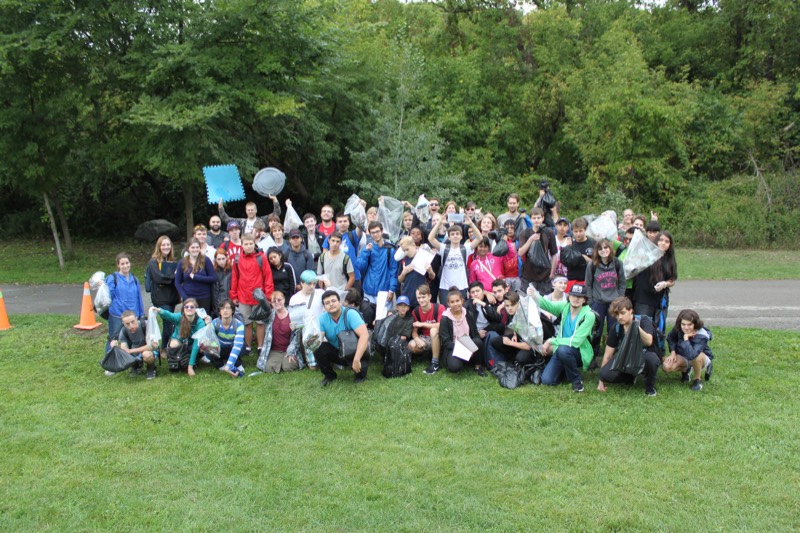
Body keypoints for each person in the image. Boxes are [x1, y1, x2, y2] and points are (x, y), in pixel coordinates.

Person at [530, 283, 596, 392]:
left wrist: (551, 340)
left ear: (584, 300)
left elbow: (576, 341)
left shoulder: (589, 315)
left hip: (579, 351)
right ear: (569, 297)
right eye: (573, 295)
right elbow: (547, 305)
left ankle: (577, 381)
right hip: (562, 350)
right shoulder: (565, 306)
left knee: (563, 350)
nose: (576, 299)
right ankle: (567, 369)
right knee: (547, 380)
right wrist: (534, 295)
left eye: (579, 297)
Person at [597, 297, 659, 396]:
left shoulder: (644, 320)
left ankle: (650, 387)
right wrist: (601, 380)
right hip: (625, 358)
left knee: (652, 359)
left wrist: (635, 327)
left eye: (623, 313)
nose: (620, 317)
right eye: (617, 314)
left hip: (644, 354)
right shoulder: (616, 328)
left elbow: (649, 341)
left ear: (631, 311)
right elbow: (608, 355)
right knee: (604, 374)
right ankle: (630, 377)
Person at [230, 234, 274, 354]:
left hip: (259, 297)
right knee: (246, 323)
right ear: (242, 245)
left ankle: (260, 347)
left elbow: (268, 277)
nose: (249, 246)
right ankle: (247, 346)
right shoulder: (238, 259)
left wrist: (268, 296)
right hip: (243, 297)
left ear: (254, 244)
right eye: (246, 244)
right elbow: (234, 278)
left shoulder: (261, 258)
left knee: (260, 323)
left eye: (251, 244)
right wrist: (233, 295)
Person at [315, 290, 371, 386]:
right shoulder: (322, 319)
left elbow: (364, 335)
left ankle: (359, 369)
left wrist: (357, 359)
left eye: (333, 301)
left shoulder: (350, 314)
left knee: (360, 377)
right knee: (318, 347)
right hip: (339, 352)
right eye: (327, 303)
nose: (331, 304)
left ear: (339, 302)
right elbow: (318, 339)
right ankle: (330, 375)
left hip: (356, 352)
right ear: (324, 307)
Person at [633, 231, 677, 351]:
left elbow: (672, 279)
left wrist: (665, 284)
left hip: (660, 299)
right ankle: (639, 353)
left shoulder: (670, 259)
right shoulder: (647, 255)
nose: (663, 243)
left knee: (658, 326)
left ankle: (657, 352)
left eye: (667, 241)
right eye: (661, 240)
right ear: (656, 241)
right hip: (643, 299)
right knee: (642, 326)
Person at [428, 214, 481, 304]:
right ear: (449, 237)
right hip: (445, 287)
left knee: (461, 312)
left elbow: (480, 238)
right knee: (446, 312)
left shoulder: (465, 248)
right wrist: (439, 223)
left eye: (457, 234)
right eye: (452, 234)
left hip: (461, 286)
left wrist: (471, 223)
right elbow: (430, 238)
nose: (455, 236)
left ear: (461, 236)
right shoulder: (444, 248)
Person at [152, 298, 209, 376]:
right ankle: (177, 361)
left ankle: (194, 359)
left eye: (192, 307)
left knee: (203, 347)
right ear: (183, 309)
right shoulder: (179, 316)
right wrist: (159, 310)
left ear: (196, 310)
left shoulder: (200, 323)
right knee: (173, 344)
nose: (189, 308)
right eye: (186, 307)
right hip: (180, 341)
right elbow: (169, 315)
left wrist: (190, 367)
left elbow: (196, 345)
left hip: (192, 344)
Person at [438, 288, 486, 376]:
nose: (455, 304)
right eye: (452, 302)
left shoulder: (468, 314)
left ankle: (478, 366)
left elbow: (475, 335)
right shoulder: (445, 319)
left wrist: (469, 346)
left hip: (468, 344)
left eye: (457, 301)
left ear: (462, 301)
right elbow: (446, 343)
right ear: (448, 304)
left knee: (478, 341)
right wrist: (463, 347)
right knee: (455, 367)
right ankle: (462, 360)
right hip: (453, 347)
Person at [663, 309, 714, 392]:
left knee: (696, 357)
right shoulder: (678, 327)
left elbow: (692, 355)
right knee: (666, 366)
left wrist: (686, 339)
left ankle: (697, 380)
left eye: (689, 324)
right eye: (683, 324)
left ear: (695, 323)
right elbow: (670, 337)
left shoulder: (702, 335)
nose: (686, 327)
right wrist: (673, 352)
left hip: (700, 357)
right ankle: (687, 370)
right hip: (684, 355)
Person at [105, 252, 145, 352]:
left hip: (132, 315)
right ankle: (110, 362)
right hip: (117, 315)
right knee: (113, 338)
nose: (125, 266)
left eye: (127, 263)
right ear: (118, 265)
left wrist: (141, 314)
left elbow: (138, 297)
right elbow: (108, 297)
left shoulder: (134, 279)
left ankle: (130, 360)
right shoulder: (113, 278)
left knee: (131, 338)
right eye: (122, 264)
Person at [585, 238, 626, 335]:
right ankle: (595, 350)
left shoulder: (617, 263)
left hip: (614, 302)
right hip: (598, 302)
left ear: (610, 248)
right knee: (596, 330)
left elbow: (622, 283)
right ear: (597, 251)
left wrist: (619, 299)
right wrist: (590, 301)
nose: (603, 250)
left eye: (605, 247)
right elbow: (588, 284)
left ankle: (613, 349)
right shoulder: (592, 265)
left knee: (613, 330)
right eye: (600, 248)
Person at [146, 236, 180, 347]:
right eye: (163, 245)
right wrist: (172, 278)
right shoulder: (153, 261)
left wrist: (172, 278)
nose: (166, 247)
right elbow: (158, 278)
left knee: (168, 323)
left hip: (171, 297)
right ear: (159, 246)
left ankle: (165, 347)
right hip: (160, 299)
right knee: (168, 323)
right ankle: (169, 347)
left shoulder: (172, 261)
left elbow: (178, 277)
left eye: (168, 245)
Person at [288, 270, 325, 369]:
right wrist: (293, 325)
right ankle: (312, 361)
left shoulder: (321, 293)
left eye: (314, 284)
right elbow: (294, 319)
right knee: (313, 367)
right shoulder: (294, 299)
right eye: (309, 284)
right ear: (302, 283)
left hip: (322, 329)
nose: (312, 286)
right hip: (307, 332)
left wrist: (329, 286)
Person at [107, 310, 159, 379]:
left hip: (149, 351)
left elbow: (154, 345)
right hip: (135, 353)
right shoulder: (123, 331)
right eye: (127, 324)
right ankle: (136, 366)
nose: (131, 326)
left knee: (146, 354)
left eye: (133, 322)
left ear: (136, 318)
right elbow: (124, 350)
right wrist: (115, 347)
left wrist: (131, 351)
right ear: (123, 324)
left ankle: (151, 368)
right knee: (125, 355)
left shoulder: (146, 325)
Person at [260, 291, 303, 373]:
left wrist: (291, 351)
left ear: (284, 300)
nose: (277, 302)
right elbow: (260, 316)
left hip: (289, 349)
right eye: (274, 301)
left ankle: (285, 361)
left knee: (288, 367)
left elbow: (296, 338)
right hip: (275, 350)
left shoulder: (293, 315)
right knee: (269, 368)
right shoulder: (269, 315)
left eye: (279, 300)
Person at [517, 207, 558, 295]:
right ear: (530, 219)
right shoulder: (525, 233)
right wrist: (531, 239)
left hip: (545, 275)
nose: (536, 220)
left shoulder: (549, 232)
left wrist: (552, 273)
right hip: (528, 275)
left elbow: (554, 254)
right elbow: (520, 252)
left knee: (544, 303)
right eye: (534, 218)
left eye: (538, 218)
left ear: (543, 218)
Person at [356, 221, 399, 304]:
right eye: (373, 232)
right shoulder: (367, 248)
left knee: (383, 317)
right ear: (370, 234)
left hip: (384, 291)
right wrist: (366, 252)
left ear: (382, 231)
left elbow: (393, 271)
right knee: (367, 316)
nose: (375, 234)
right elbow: (360, 268)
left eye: (377, 231)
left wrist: (391, 290)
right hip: (368, 290)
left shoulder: (390, 249)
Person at [175, 238, 216, 316]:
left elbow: (213, 278)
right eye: (193, 247)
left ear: (200, 248)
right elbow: (177, 282)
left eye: (197, 247)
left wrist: (197, 277)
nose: (195, 249)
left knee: (203, 321)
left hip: (204, 297)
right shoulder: (182, 262)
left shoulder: (205, 260)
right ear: (188, 249)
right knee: (189, 321)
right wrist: (185, 297)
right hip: (188, 297)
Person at [208, 299, 246, 377]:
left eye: (228, 308)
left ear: (232, 310)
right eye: (222, 308)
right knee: (208, 345)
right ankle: (220, 364)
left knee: (241, 345)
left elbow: (237, 346)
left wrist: (228, 365)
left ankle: (237, 363)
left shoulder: (239, 325)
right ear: (219, 311)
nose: (225, 310)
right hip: (220, 349)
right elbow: (208, 339)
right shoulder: (215, 323)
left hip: (232, 347)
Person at [411, 285, 444, 372]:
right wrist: (417, 339)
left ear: (430, 296)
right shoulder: (416, 311)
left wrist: (422, 324)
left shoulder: (439, 307)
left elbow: (440, 325)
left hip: (439, 338)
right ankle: (427, 355)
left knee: (433, 330)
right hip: (425, 338)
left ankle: (435, 362)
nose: (421, 300)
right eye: (419, 297)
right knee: (411, 345)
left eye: (423, 297)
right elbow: (414, 331)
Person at [396, 236, 435, 307]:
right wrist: (404, 272)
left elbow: (432, 277)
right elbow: (399, 279)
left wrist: (430, 270)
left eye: (407, 249)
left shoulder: (424, 256)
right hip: (407, 295)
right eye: (404, 250)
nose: (406, 252)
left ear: (414, 245)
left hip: (421, 297)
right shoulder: (404, 259)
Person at [562, 217, 595, 292]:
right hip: (572, 279)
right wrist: (567, 248)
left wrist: (584, 258)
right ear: (572, 231)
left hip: (587, 280)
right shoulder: (570, 243)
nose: (578, 234)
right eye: (575, 231)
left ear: (585, 229)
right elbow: (564, 261)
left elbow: (597, 263)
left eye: (580, 231)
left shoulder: (592, 243)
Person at [212, 249, 232, 318]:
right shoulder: (213, 272)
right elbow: (214, 292)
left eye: (223, 258)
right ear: (215, 260)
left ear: (227, 258)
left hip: (231, 301)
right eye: (219, 259)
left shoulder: (231, 270)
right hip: (219, 302)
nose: (221, 261)